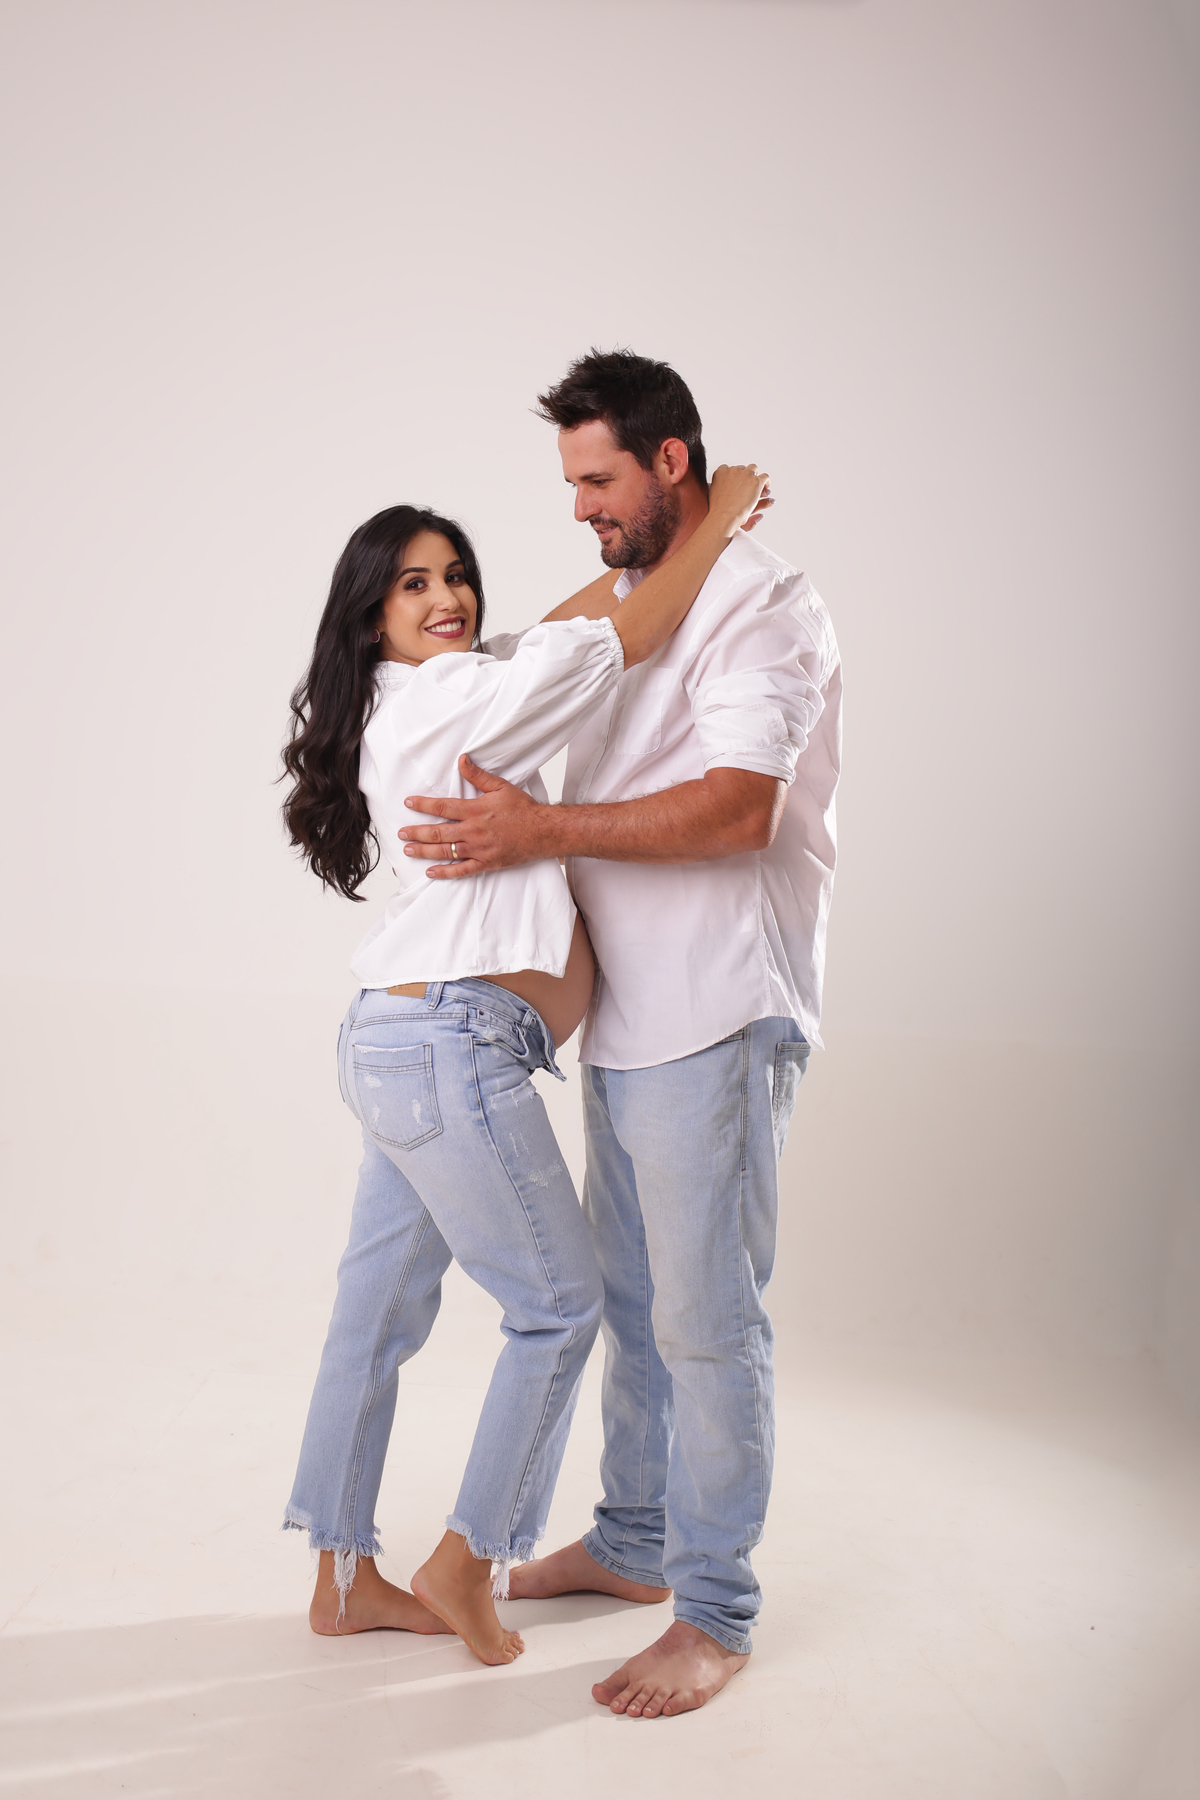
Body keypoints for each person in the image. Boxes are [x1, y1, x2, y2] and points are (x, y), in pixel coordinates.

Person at [396, 349, 842, 1714]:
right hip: (630, 1017)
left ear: (669, 461)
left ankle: (715, 1611)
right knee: (640, 1308)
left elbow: (739, 807)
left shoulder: (763, 604)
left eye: (598, 480)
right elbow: (541, 649)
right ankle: (636, 1542)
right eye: (571, 484)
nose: (581, 506)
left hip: (717, 1010)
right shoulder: (650, 590)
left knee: (708, 1326)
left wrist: (538, 829)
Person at [279, 461, 771, 1667]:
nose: (445, 598)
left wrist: (644, 564)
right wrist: (717, 519)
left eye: (454, 575)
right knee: (559, 1306)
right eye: (412, 584)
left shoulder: (427, 695)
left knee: (374, 1317)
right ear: (371, 615)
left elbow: (554, 633)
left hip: (399, 1040)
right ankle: (467, 1558)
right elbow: (623, 630)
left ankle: (341, 1581)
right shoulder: (449, 699)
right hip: (450, 1046)